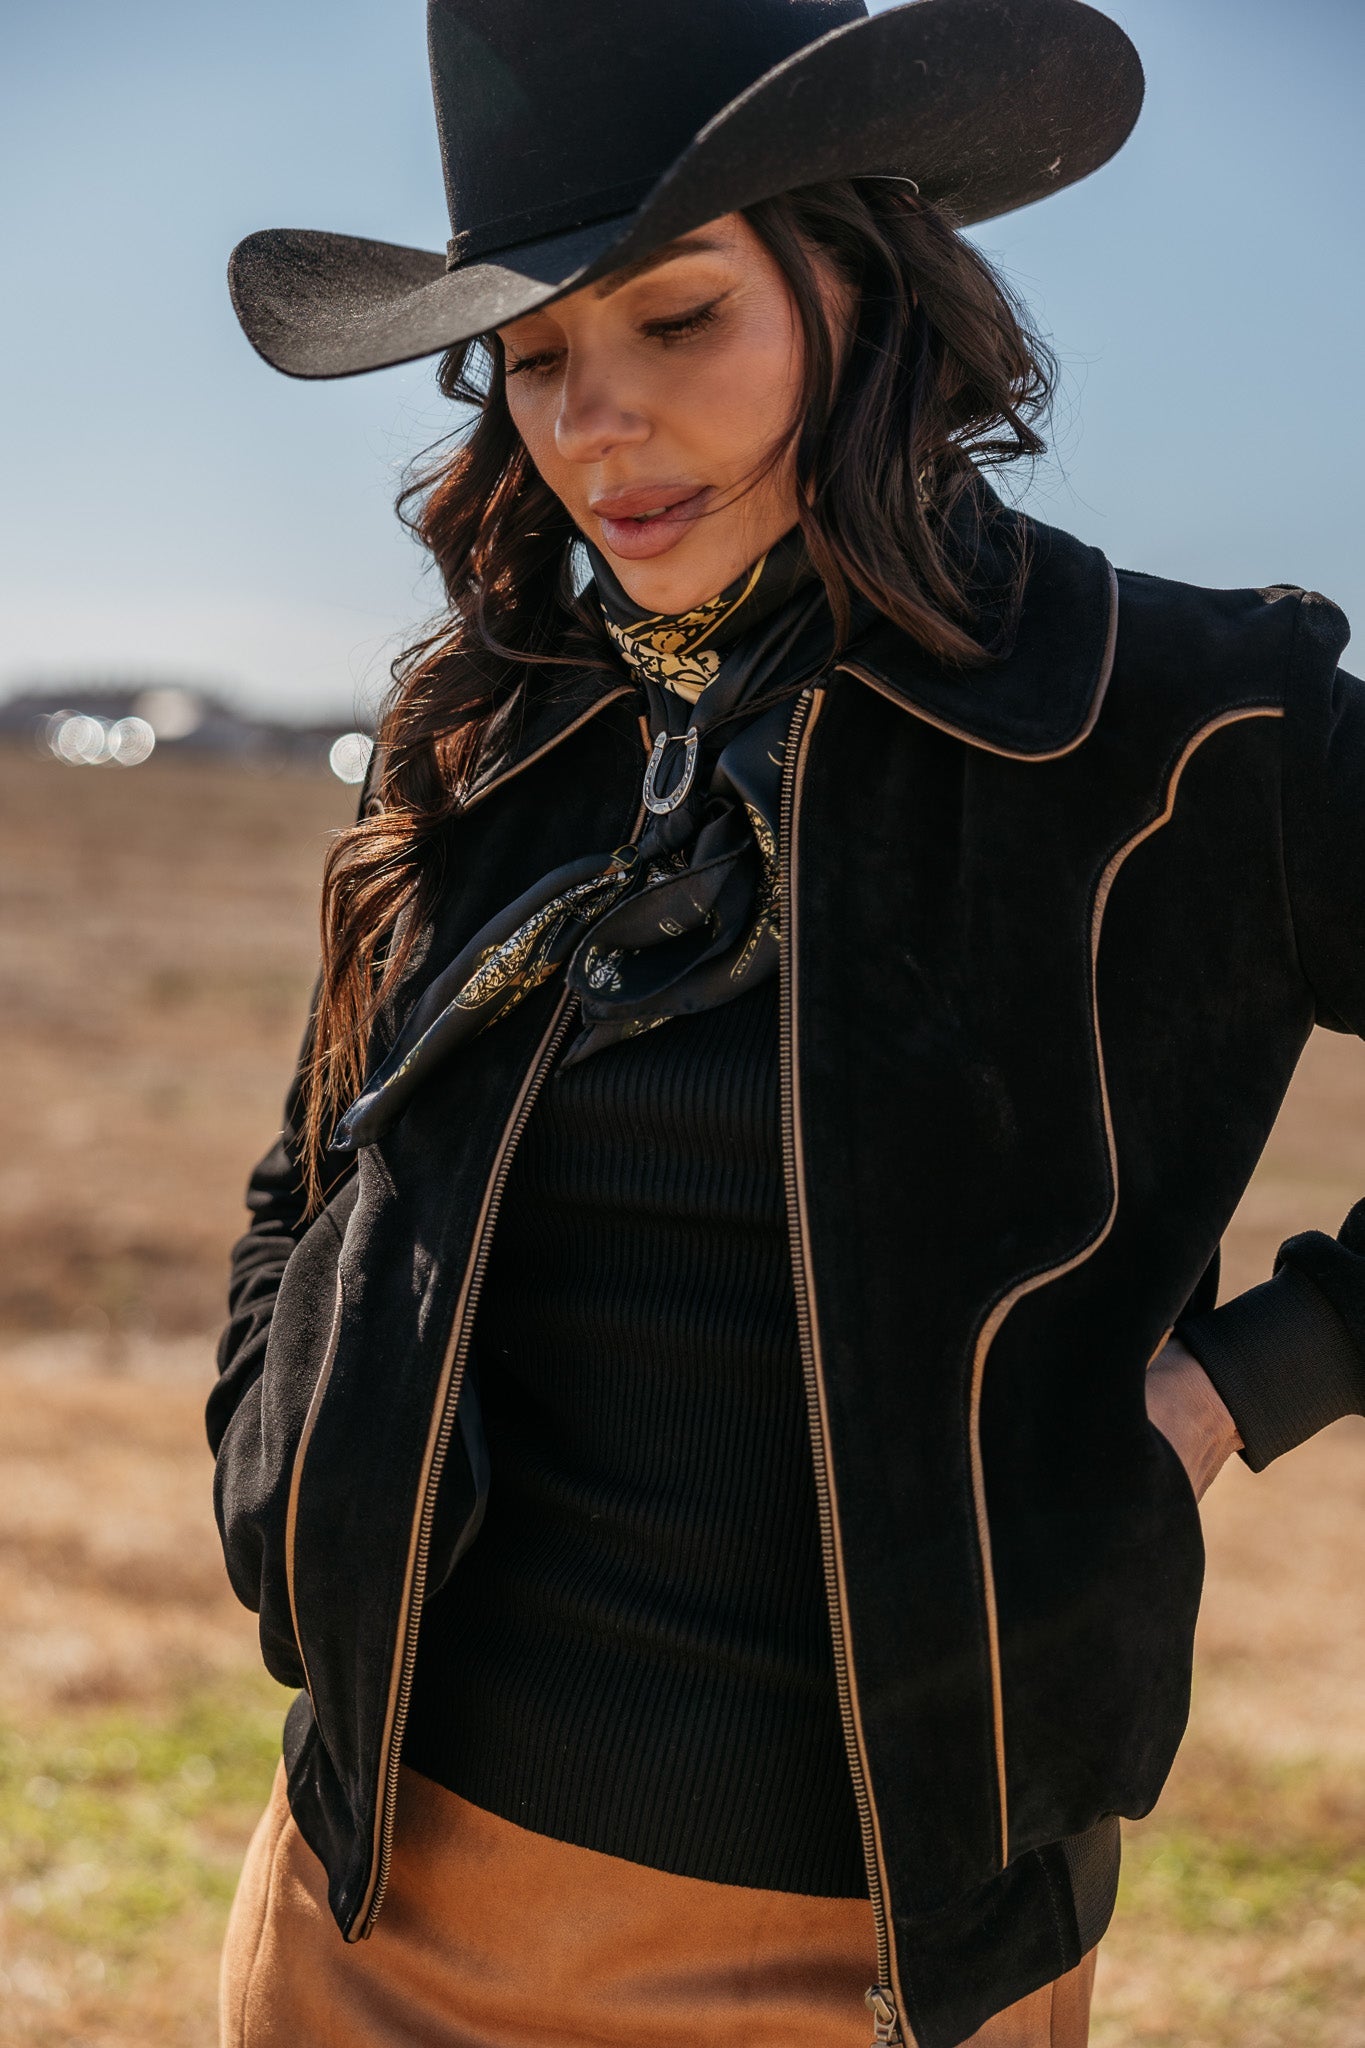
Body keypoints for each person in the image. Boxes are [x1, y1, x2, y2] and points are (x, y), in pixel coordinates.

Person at [208, 4, 1365, 2045]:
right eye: (536, 358)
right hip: (359, 1903)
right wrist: (270, 1430)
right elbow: (323, 1147)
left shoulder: (1186, 724)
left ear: (865, 289)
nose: (594, 427)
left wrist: (1242, 1385)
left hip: (870, 1966)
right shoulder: (498, 717)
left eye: (672, 321)